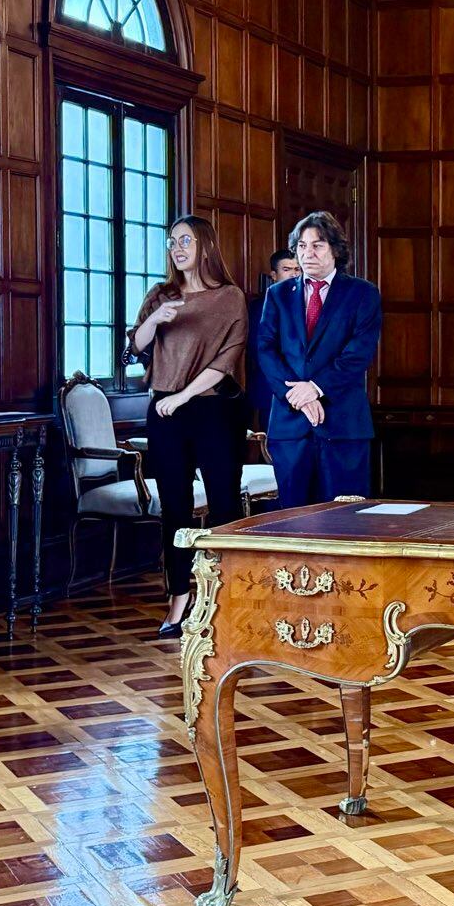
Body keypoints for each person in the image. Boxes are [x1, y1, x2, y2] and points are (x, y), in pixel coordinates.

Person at [127, 215, 248, 639]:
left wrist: (181, 397)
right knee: (174, 509)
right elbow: (132, 349)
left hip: (214, 411)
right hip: (164, 414)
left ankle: (226, 598)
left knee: (223, 507)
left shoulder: (229, 298)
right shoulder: (161, 296)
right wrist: (154, 319)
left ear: (206, 246)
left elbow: (226, 360)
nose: (177, 248)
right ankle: (179, 598)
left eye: (186, 240)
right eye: (172, 241)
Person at [255, 212, 382, 506]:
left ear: (335, 249)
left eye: (317, 245)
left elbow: (358, 354)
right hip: (290, 425)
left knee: (345, 522)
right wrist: (297, 394)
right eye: (301, 246)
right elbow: (266, 349)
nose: (307, 254)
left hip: (343, 426)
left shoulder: (362, 293)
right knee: (293, 521)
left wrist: (315, 387)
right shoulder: (278, 295)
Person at [247, 249, 300, 429]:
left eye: (297, 269)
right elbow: (257, 349)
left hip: (309, 390)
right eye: (287, 269)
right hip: (272, 389)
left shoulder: (313, 304)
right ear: (274, 275)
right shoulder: (259, 308)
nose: (294, 274)